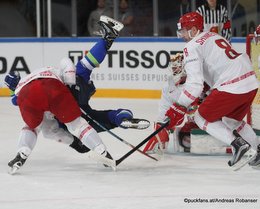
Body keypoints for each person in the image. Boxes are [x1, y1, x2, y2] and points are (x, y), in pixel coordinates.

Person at [5, 16, 149, 174]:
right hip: (64, 91)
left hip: (53, 99)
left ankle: (21, 155)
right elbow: (66, 63)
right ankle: (118, 123)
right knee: (85, 70)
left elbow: (49, 131)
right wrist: (70, 82)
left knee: (39, 127)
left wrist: (75, 144)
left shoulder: (21, 92)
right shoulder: (43, 74)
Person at [166, 12, 260, 170]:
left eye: (184, 30)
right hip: (250, 82)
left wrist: (179, 105)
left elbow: (195, 85)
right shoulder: (213, 36)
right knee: (232, 120)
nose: (181, 34)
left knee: (200, 118)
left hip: (232, 85)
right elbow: (216, 67)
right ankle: (257, 152)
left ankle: (237, 144)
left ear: (194, 30)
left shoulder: (191, 46)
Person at [143, 53, 206, 154]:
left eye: (177, 68)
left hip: (209, 120)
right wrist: (162, 128)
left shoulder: (201, 80)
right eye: (173, 68)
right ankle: (156, 147)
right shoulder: (168, 86)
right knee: (161, 126)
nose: (174, 71)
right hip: (190, 123)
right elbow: (163, 114)